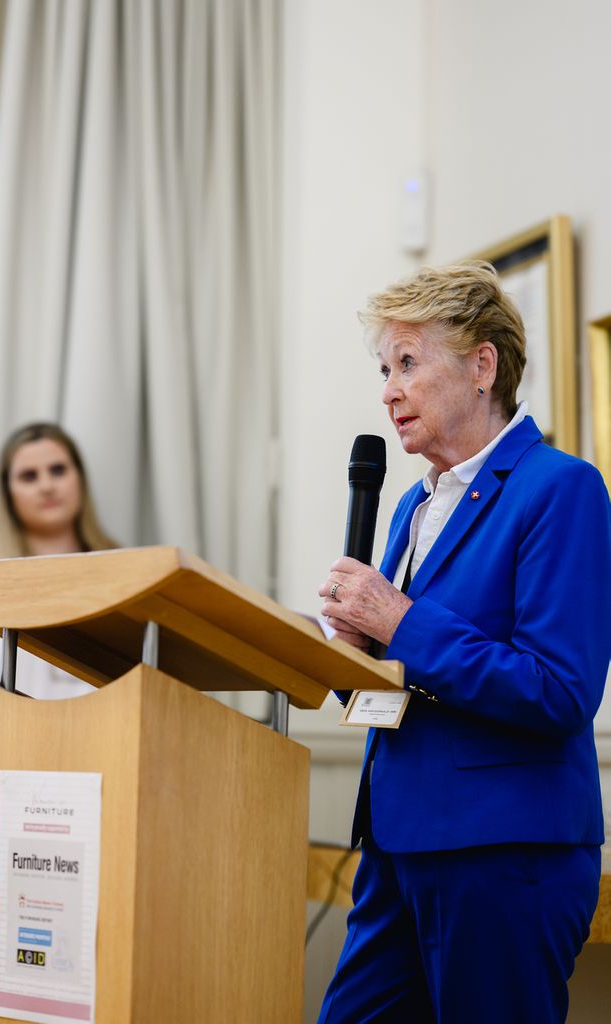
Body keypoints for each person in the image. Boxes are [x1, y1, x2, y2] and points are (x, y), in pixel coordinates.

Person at [316, 261, 611, 1024]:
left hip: (503, 851)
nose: (389, 390)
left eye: (408, 363)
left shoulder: (560, 487)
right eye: (385, 370)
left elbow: (559, 690)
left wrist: (399, 621)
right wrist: (353, 653)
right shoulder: (411, 506)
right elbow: (403, 671)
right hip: (396, 845)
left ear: (482, 366)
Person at [0, 422, 117, 879]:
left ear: (80, 479)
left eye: (58, 470)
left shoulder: (122, 572)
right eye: (29, 476)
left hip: (107, 781)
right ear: (7, 492)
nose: (47, 485)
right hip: (1, 782)